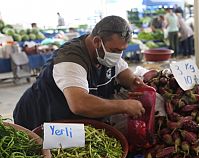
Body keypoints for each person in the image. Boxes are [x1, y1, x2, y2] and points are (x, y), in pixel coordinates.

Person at [13, 16, 145, 130]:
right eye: (115, 50)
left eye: (121, 50)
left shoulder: (106, 52)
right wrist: (124, 105)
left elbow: (123, 72)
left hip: (67, 122)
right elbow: (80, 104)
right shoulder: (70, 60)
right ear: (97, 42)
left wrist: (134, 81)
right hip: (39, 118)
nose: (117, 55)